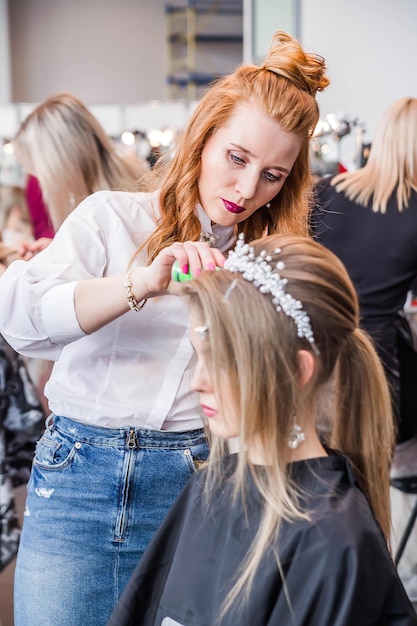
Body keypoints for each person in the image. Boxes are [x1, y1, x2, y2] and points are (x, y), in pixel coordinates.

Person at [0, 31, 329, 626]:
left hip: (198, 487)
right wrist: (141, 285)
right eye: (237, 158)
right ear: (202, 139)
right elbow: (21, 321)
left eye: (273, 175)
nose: (247, 189)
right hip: (77, 483)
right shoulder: (112, 219)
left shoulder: (268, 263)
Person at [108, 233, 417, 626]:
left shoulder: (332, 541)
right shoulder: (211, 484)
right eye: (199, 358)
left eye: (222, 362)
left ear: (297, 372)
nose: (197, 382)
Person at [312, 97, 417, 445]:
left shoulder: (325, 190)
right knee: (365, 482)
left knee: (304, 475)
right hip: (372, 365)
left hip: (307, 355)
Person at [12, 92, 149, 259]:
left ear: (61, 162)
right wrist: (59, 249)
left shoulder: (129, 204)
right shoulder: (96, 202)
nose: (39, 180)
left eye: (39, 171)